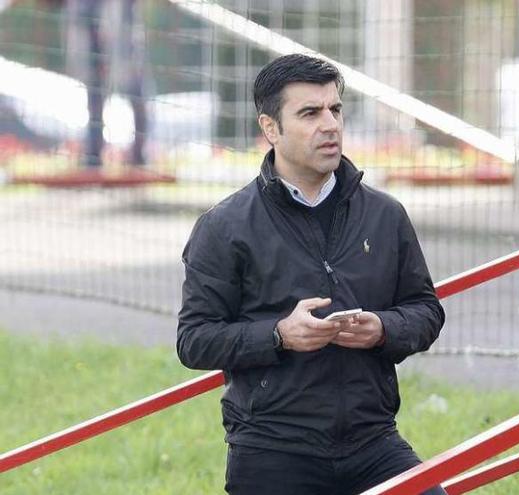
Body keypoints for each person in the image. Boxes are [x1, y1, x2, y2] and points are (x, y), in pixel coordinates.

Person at [177, 53, 446, 495]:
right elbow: (194, 340)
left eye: (335, 110)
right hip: (271, 448)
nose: (330, 124)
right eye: (310, 113)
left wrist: (383, 328)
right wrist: (279, 335)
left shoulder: (385, 215)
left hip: (372, 442)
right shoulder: (224, 226)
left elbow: (426, 311)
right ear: (270, 129)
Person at [69, 0, 148, 167]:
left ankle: (138, 156)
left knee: (134, 89)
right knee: (95, 94)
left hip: (123, 31)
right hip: (91, 29)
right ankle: (93, 155)